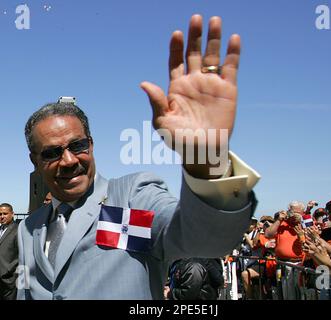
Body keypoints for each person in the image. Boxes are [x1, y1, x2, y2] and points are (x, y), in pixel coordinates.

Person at [17, 15, 260, 300]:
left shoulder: (131, 198)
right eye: (52, 153)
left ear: (92, 145)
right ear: (35, 161)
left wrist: (205, 157)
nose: (69, 160)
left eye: (78, 145)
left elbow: (202, 240)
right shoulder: (28, 228)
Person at [0, 203, 19, 300]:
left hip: (10, 282)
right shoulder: (0, 230)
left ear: (12, 214)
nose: (2, 217)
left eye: (5, 214)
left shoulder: (18, 230)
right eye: (0, 214)